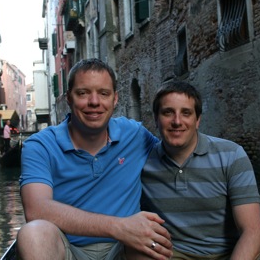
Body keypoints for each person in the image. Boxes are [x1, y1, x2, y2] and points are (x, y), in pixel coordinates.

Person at [16, 58, 173, 260]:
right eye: (83, 93)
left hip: (123, 248)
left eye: (103, 93)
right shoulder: (40, 145)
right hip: (66, 249)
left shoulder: (135, 135)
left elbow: (174, 150)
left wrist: (225, 156)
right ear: (69, 99)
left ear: (115, 99)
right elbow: (36, 210)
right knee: (33, 233)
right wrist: (119, 227)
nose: (94, 102)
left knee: (150, 240)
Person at [141, 81, 260, 260]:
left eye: (186, 113)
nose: (177, 121)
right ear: (156, 119)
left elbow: (253, 233)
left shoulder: (232, 155)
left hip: (231, 254)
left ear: (198, 120)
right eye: (168, 112)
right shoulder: (142, 162)